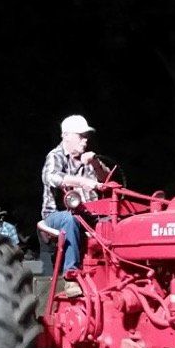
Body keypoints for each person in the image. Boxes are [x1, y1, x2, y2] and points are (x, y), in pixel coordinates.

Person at [38, 114, 106, 296]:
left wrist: (95, 163)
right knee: (70, 219)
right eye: (81, 136)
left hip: (89, 215)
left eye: (86, 136)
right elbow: (50, 176)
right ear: (66, 136)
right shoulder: (55, 156)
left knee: (111, 223)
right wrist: (81, 182)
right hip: (56, 216)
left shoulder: (88, 159)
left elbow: (106, 180)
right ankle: (70, 276)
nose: (85, 140)